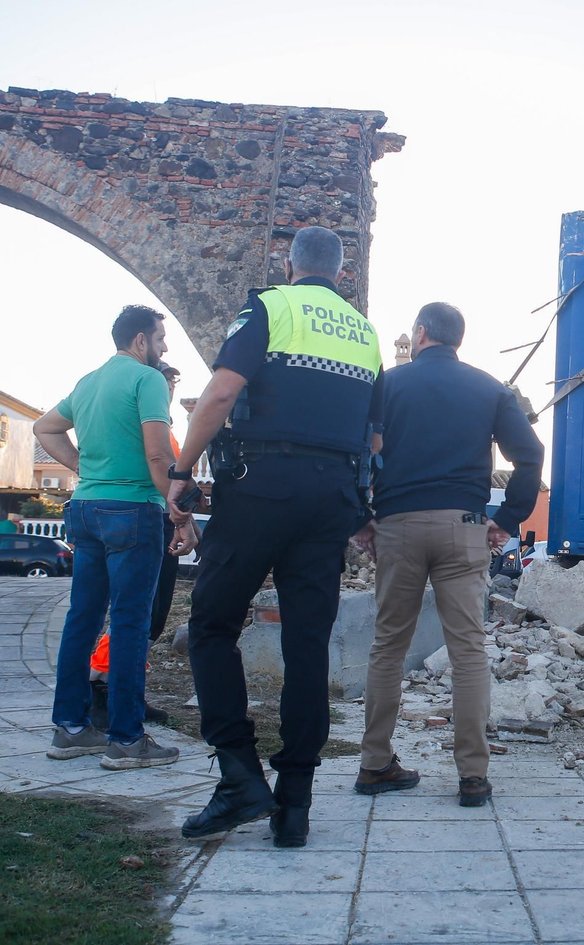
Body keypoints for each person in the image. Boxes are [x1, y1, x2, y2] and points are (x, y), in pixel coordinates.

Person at [169, 226, 381, 848]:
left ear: (290, 264)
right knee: (308, 645)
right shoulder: (364, 334)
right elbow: (374, 436)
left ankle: (238, 774)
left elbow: (222, 392)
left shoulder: (270, 306)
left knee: (210, 624)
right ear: (340, 274)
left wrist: (183, 471)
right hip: (332, 499)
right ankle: (295, 806)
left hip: (262, 487)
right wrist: (358, 503)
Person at [351, 302, 544, 808]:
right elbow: (530, 454)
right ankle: (472, 777)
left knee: (389, 647)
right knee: (469, 651)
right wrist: (508, 518)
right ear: (458, 339)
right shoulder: (488, 388)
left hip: (396, 526)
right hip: (464, 529)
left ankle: (374, 764)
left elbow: (352, 451)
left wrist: (359, 518)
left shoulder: (386, 386)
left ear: (419, 334)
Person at [35, 305, 181, 770]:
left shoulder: (89, 381)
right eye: (160, 339)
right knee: (130, 623)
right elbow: (159, 456)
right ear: (140, 340)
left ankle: (70, 729)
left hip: (85, 508)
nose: (163, 348)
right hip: (134, 510)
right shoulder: (148, 380)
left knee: (83, 618)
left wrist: (83, 468)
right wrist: (181, 514)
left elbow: (45, 428)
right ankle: (126, 738)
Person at [86, 361, 185, 725]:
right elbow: (158, 465)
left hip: (159, 516)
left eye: (173, 383)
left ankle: (125, 688)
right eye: (166, 382)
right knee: (136, 613)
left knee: (152, 616)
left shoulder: (164, 425)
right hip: (148, 515)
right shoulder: (146, 422)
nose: (169, 389)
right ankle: (103, 686)